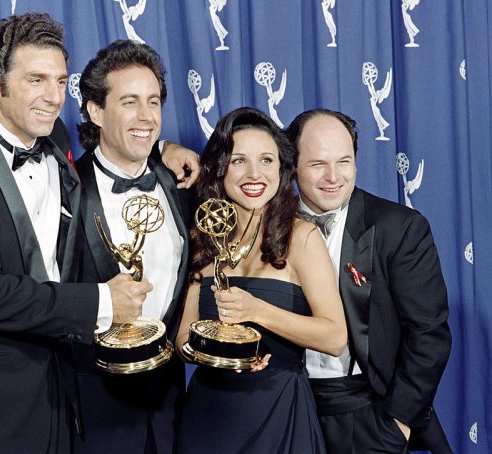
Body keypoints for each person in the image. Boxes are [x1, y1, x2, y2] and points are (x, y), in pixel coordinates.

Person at [0, 13, 156, 453]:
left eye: (60, 81)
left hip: (55, 389)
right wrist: (102, 301)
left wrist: (166, 150)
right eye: (36, 79)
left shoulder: (54, 135)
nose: (53, 96)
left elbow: (111, 149)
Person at [175, 107, 347, 453]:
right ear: (219, 168)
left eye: (266, 160)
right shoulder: (203, 238)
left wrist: (256, 311)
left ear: (282, 170)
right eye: (239, 161)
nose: (254, 173)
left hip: (279, 414)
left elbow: (334, 337)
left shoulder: (302, 238)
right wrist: (221, 355)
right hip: (209, 417)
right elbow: (182, 341)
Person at [285, 109, 452, 453]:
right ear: (293, 166)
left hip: (367, 411)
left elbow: (428, 335)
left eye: (344, 161)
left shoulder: (400, 228)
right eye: (318, 164)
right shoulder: (267, 226)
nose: (333, 176)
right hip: (287, 406)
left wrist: (398, 424)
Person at [71, 39, 192, 454]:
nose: (146, 117)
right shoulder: (64, 187)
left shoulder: (182, 184)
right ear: (95, 111)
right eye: (129, 102)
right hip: (89, 406)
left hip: (169, 405)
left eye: (153, 101)